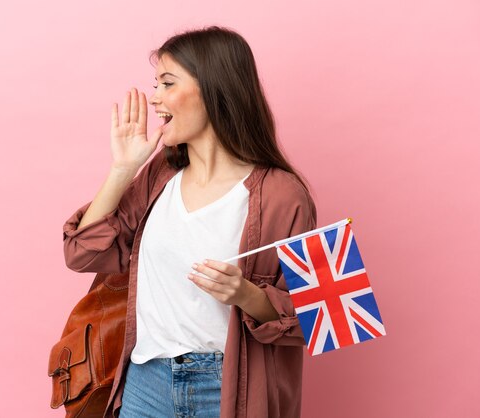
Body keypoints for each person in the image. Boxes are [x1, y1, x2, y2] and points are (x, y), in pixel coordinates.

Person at [63, 26, 317, 418]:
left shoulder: (284, 194)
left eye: (167, 83)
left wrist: (245, 294)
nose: (155, 98)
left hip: (229, 388)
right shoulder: (159, 175)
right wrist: (123, 169)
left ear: (214, 90)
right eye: (156, 84)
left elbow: (316, 315)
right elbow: (81, 253)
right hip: (146, 384)